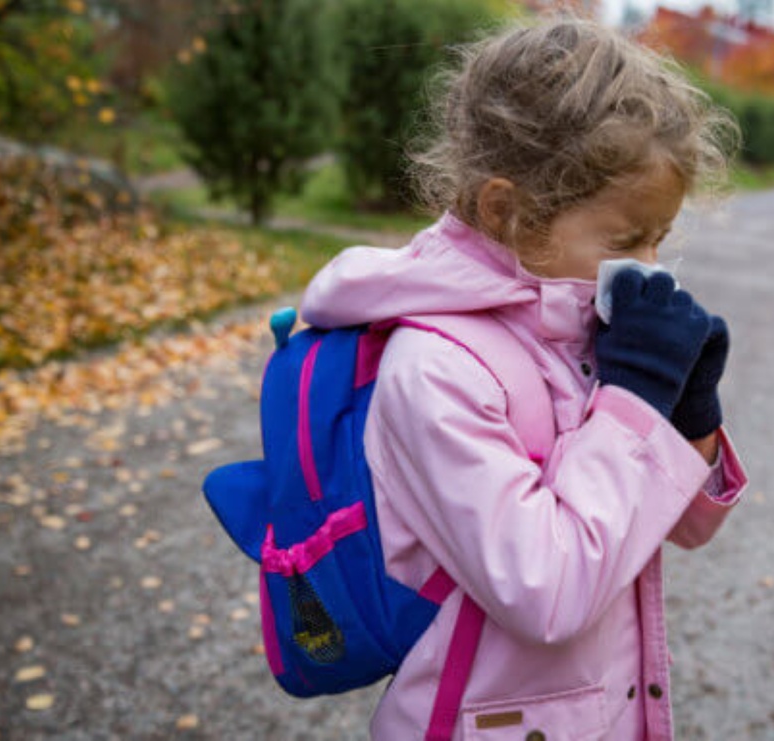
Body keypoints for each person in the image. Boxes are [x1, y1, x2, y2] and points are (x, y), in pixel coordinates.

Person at [300, 17, 748, 740]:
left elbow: (679, 525)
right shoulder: (437, 369)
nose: (652, 266)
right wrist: (634, 401)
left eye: (661, 237)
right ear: (507, 210)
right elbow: (547, 590)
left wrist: (690, 411)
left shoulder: (581, 325)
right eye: (628, 239)